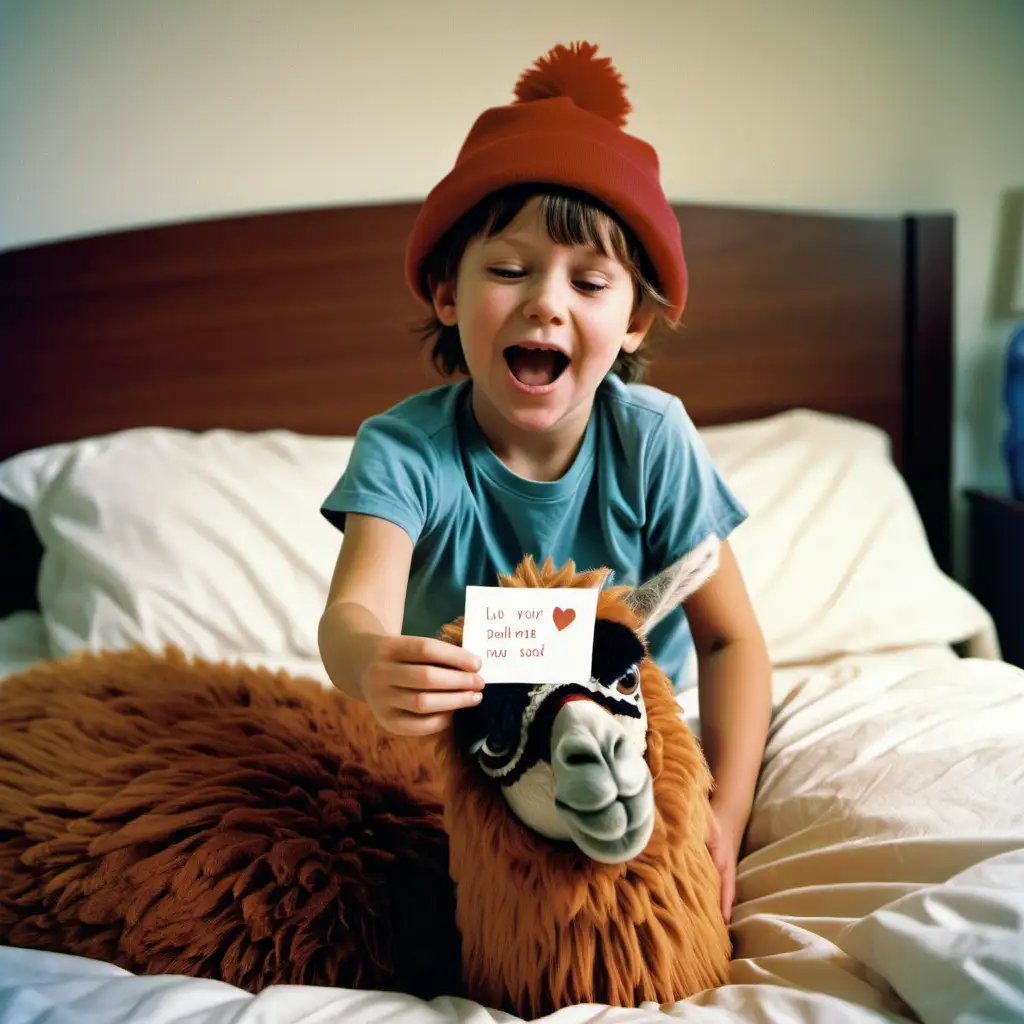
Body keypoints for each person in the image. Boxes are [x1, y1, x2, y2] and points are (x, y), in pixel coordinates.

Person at [317, 41, 771, 923]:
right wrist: (373, 664)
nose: (546, 304)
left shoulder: (653, 440)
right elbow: (351, 616)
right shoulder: (405, 451)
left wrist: (725, 813)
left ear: (634, 319)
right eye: (510, 270)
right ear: (448, 292)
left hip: (635, 748)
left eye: (590, 282)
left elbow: (731, 643)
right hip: (477, 758)